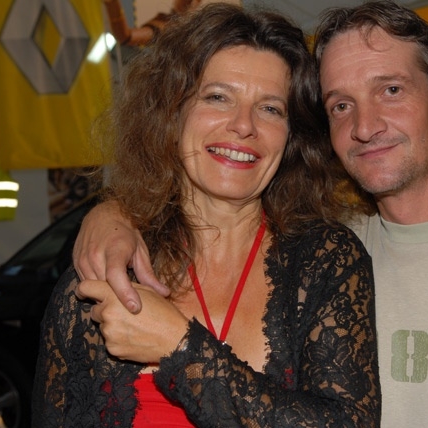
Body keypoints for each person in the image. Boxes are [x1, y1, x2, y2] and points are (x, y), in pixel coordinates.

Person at [73, 0, 428, 427]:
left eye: (391, 90)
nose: (365, 125)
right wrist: (115, 213)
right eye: (341, 105)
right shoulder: (326, 253)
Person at [32, 3, 381, 427]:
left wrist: (178, 346)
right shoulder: (106, 272)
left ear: (292, 136)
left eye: (270, 108)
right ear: (171, 114)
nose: (243, 125)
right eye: (218, 97)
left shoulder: (327, 260)